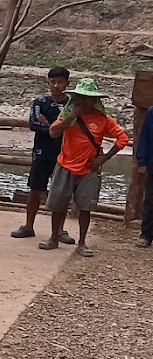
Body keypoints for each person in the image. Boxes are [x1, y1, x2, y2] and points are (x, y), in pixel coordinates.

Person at [41, 77, 129, 256]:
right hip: (65, 165)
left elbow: (123, 139)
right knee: (58, 205)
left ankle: (81, 243)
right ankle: (53, 237)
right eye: (80, 97)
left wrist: (103, 160)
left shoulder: (103, 119)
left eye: (87, 98)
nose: (83, 101)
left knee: (85, 207)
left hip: (89, 169)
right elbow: (53, 132)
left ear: (94, 100)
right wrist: (72, 116)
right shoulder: (67, 115)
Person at [11, 66, 73, 242]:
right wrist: (56, 127)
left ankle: (60, 230)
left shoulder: (71, 104)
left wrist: (50, 125)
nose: (55, 86)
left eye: (60, 82)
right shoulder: (40, 102)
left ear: (67, 83)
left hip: (65, 151)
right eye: (52, 82)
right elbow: (33, 124)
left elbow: (72, 126)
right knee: (35, 189)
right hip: (42, 151)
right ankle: (28, 225)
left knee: (62, 191)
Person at [138, 105, 153, 247]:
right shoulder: (151, 112)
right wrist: (141, 161)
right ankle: (146, 234)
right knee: (149, 201)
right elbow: (144, 137)